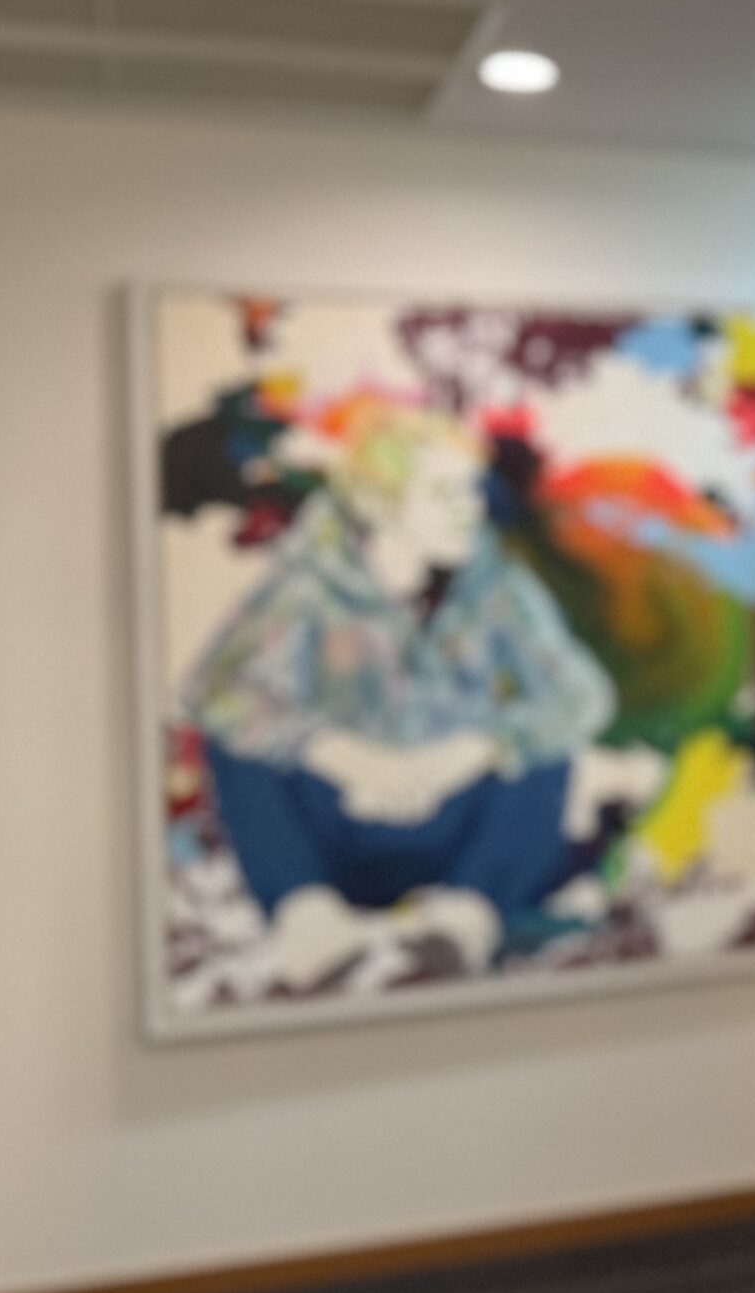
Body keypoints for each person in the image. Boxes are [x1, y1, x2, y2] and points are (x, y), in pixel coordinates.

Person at [183, 397, 616, 987]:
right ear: (378, 503)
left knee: (546, 746)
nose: (470, 509)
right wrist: (341, 755)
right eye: (444, 493)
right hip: (342, 819)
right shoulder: (310, 580)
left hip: (455, 821)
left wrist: (466, 754)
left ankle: (465, 921)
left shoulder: (495, 584)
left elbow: (583, 694)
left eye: (471, 490)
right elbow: (212, 688)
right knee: (236, 744)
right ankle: (310, 919)